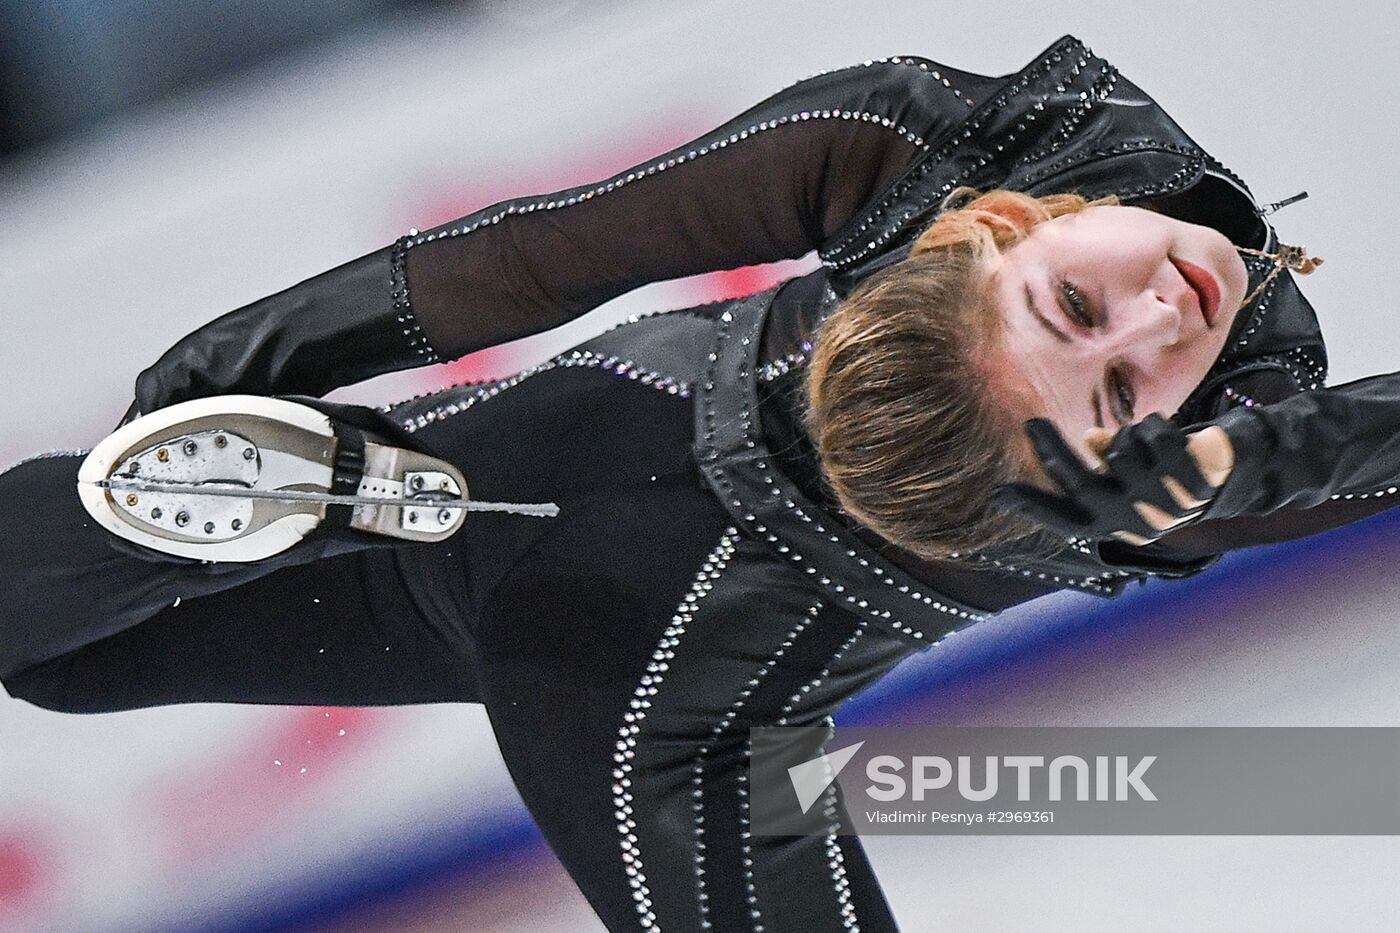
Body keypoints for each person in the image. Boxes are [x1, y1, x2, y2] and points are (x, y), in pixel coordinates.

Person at [1, 33, 1396, 932]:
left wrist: (237, 366)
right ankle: (259, 493)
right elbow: (548, 249)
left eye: (1112, 400)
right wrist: (243, 360)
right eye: (1081, 319)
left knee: (50, 650)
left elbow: (544, 256)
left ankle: (270, 496)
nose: (1167, 315)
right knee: (49, 650)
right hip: (607, 631)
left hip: (582, 609)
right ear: (993, 227)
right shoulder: (937, 156)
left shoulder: (1171, 445)